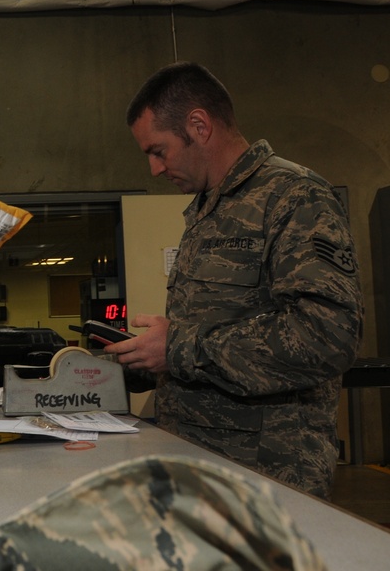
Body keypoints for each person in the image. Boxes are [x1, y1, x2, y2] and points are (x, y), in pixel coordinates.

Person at [105, 61, 363, 498]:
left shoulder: (294, 196)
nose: (154, 169)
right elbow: (216, 335)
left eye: (158, 150)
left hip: (267, 475)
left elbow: (328, 335)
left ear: (199, 125)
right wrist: (136, 362)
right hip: (202, 466)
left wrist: (179, 348)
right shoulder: (209, 208)